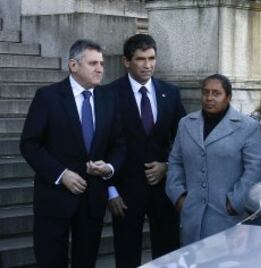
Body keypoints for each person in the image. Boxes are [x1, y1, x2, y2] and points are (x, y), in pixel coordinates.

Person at [20, 39, 125, 268]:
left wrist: (109, 168)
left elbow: (119, 144)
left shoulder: (108, 98)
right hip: (54, 199)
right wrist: (61, 174)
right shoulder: (48, 97)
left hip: (92, 202)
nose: (100, 69)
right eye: (93, 63)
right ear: (73, 65)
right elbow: (29, 144)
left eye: (102, 63)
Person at [105, 34, 186, 268]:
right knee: (127, 253)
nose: (147, 65)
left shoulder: (170, 93)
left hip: (164, 190)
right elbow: (103, 145)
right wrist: (110, 191)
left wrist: (168, 167)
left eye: (152, 58)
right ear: (126, 61)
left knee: (168, 251)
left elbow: (183, 141)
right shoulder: (109, 94)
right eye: (141, 59)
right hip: (125, 191)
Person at [166, 74, 261, 245]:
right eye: (205, 92)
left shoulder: (247, 126)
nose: (209, 98)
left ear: (228, 97)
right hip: (192, 218)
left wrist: (235, 203)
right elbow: (175, 163)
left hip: (226, 219)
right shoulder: (186, 123)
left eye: (216, 93)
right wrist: (179, 197)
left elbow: (254, 170)